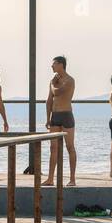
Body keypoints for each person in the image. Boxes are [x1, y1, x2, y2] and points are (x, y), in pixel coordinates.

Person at [43, 55, 76, 187]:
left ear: (61, 65)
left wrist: (52, 83)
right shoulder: (53, 81)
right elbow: (49, 99)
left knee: (70, 147)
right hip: (55, 116)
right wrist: (47, 118)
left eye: (54, 64)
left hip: (66, 115)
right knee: (53, 148)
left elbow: (57, 92)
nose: (52, 66)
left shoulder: (69, 80)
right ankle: (50, 178)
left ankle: (72, 179)